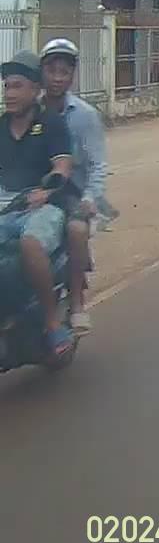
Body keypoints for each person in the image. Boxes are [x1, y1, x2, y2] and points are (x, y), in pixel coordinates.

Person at [0, 49, 76, 355]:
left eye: (17, 86)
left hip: (43, 207)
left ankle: (52, 323)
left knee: (31, 243)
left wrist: (48, 188)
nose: (9, 93)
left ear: (35, 89)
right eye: (6, 86)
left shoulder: (52, 124)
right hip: (6, 209)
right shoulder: (0, 126)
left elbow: (63, 166)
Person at [39, 38, 107, 334]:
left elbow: (98, 165)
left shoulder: (84, 115)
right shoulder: (30, 108)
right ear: (41, 72)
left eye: (64, 72)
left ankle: (77, 300)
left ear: (72, 75)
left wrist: (90, 198)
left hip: (71, 193)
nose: (57, 78)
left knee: (76, 230)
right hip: (31, 191)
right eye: (51, 70)